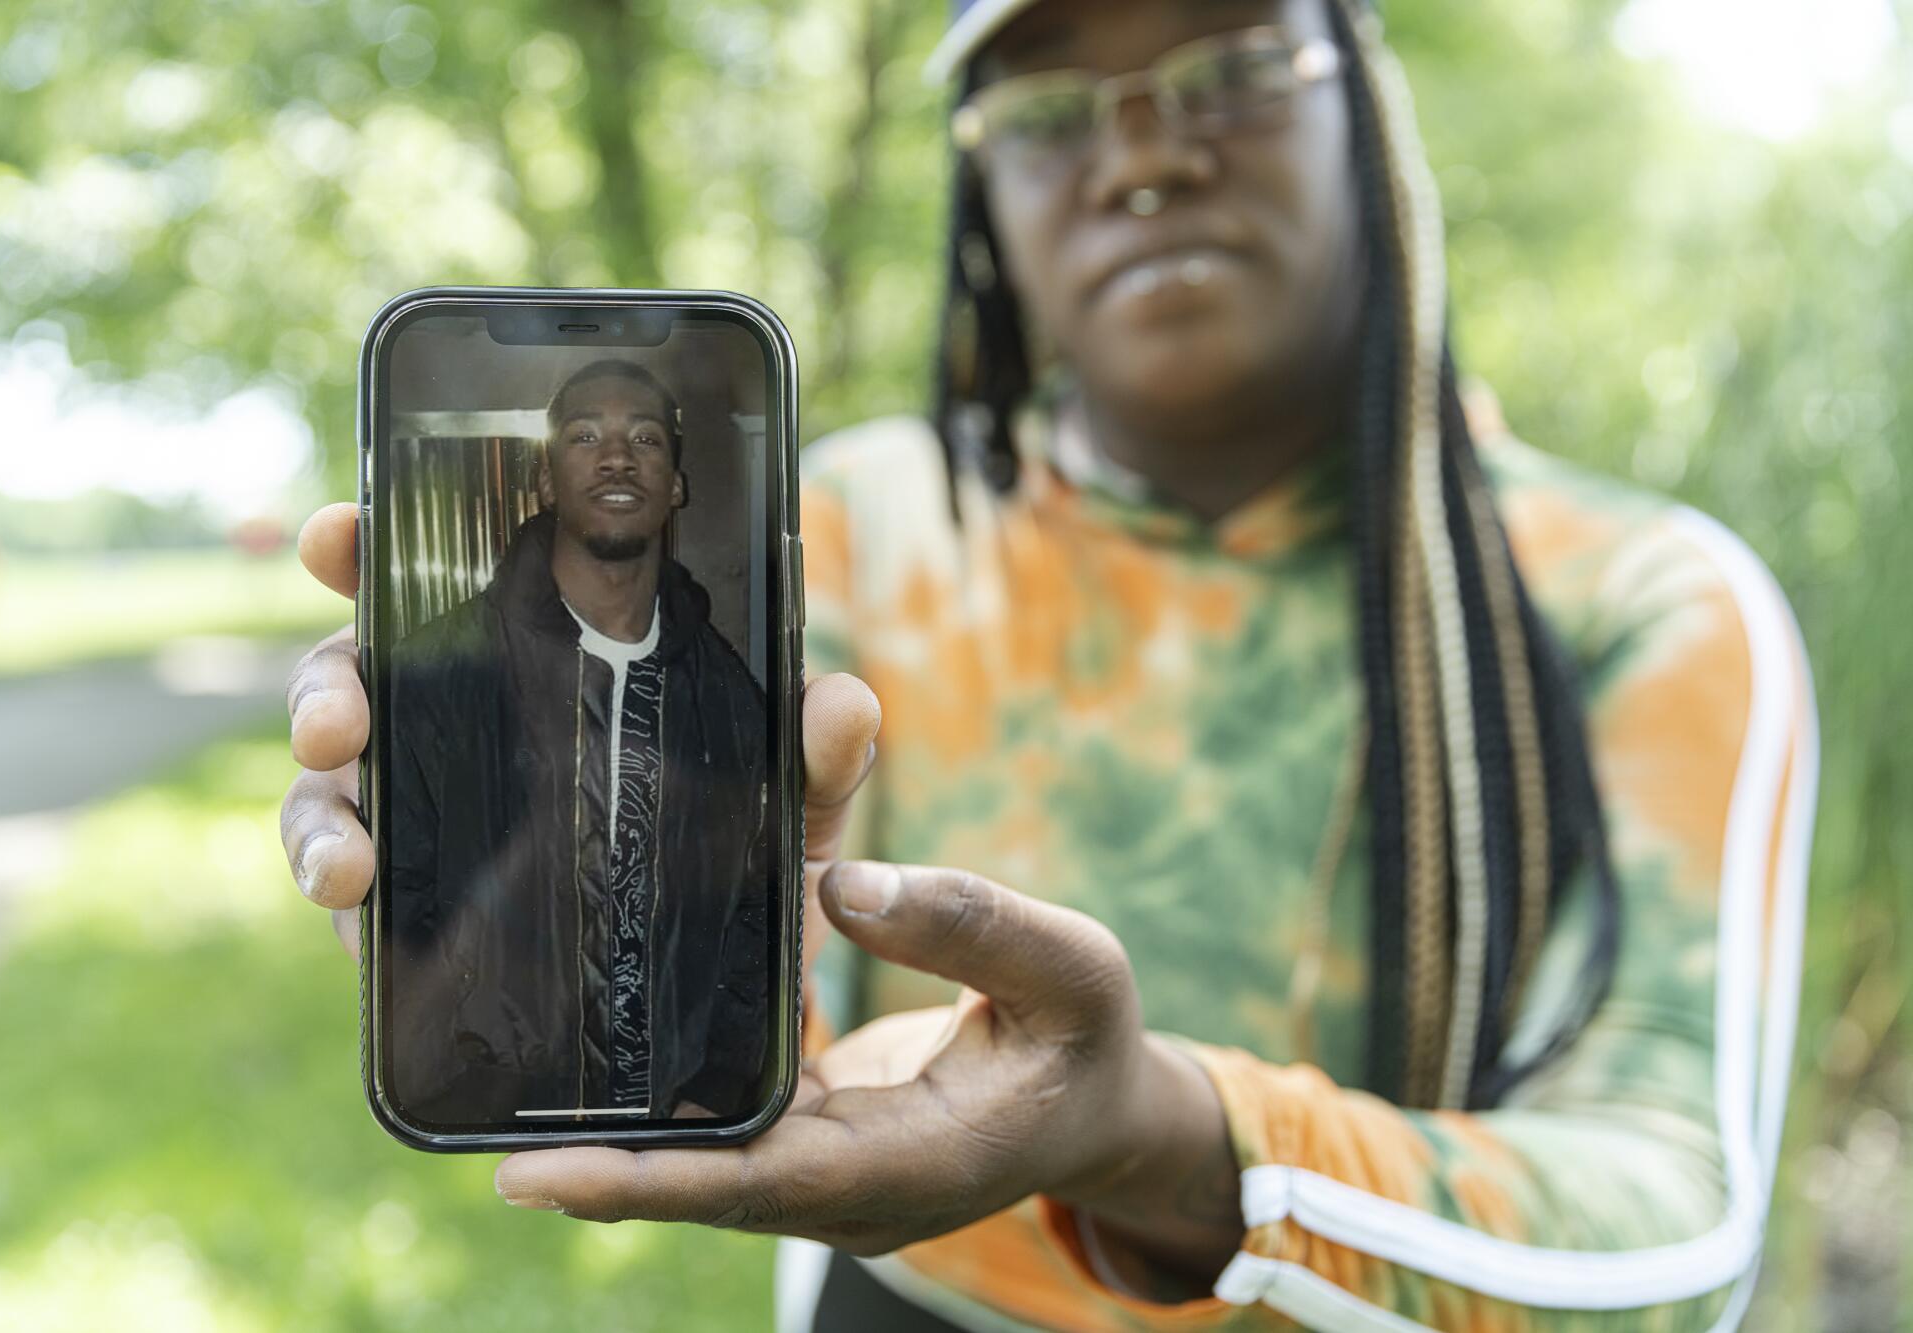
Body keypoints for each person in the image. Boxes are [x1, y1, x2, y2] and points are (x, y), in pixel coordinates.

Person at [280, 0, 1818, 1327]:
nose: (1147, 155)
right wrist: (489, 832)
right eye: (1050, 105)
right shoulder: (858, 530)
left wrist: (1156, 1135)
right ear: (983, 191)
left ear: (1370, 99)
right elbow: (731, 993)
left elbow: (1676, 1229)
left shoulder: (1640, 597)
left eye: (1230, 70)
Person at [381, 358, 770, 1123]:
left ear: (678, 485)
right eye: (585, 434)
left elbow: (753, 908)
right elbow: (400, 893)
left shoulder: (730, 697)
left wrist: (717, 1086)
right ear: (548, 481)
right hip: (485, 1099)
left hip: (677, 1106)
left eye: (646, 439)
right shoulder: (437, 669)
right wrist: (461, 1072)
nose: (617, 455)